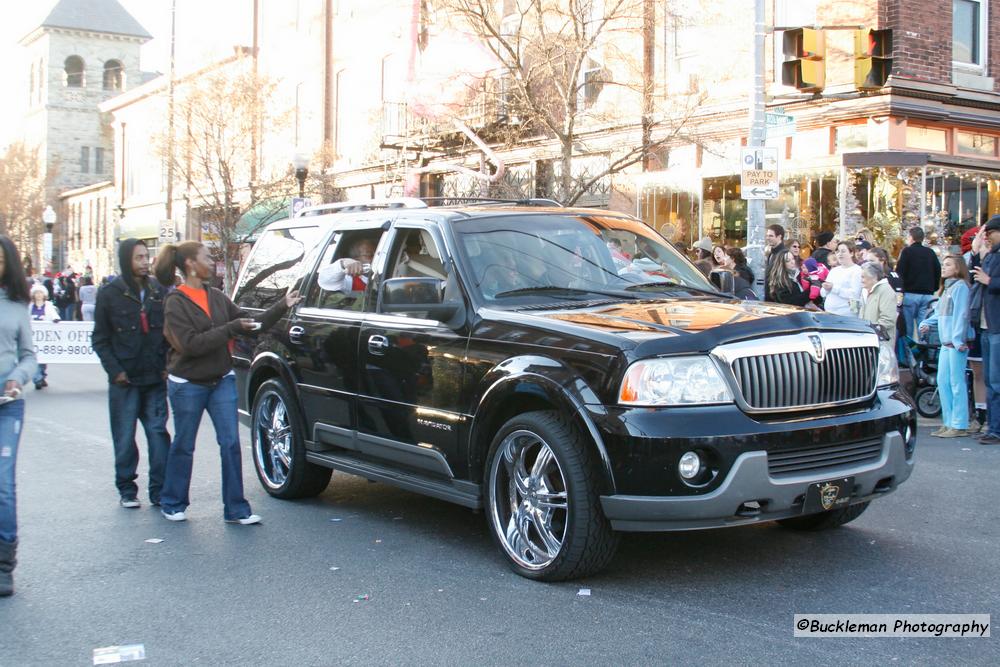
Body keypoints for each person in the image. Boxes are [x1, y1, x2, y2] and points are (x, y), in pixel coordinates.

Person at [153, 241, 302, 523]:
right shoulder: (175, 302)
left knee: (231, 443)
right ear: (190, 265)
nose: (212, 262)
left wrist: (283, 304)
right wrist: (231, 328)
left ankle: (236, 509)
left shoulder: (217, 297)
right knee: (184, 444)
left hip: (220, 380)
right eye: (207, 258)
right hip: (187, 384)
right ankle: (173, 502)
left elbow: (253, 325)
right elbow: (191, 345)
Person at [92, 240, 171, 508]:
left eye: (146, 256)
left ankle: (159, 490)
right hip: (125, 380)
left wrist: (166, 365)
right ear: (127, 260)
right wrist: (116, 372)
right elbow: (100, 339)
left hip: (154, 378)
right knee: (124, 437)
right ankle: (127, 488)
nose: (144, 262)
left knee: (158, 435)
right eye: (138, 257)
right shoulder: (110, 293)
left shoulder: (158, 291)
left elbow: (167, 335)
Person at [0, 235, 37, 596]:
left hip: (7, 405)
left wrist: (17, 378)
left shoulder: (16, 306)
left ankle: (4, 564)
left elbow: (29, 356)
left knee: (4, 485)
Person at [919, 254, 972, 438]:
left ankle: (959, 423)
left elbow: (962, 314)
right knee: (944, 382)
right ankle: (948, 421)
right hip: (946, 343)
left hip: (954, 344)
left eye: (948, 264)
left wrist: (958, 339)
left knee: (956, 383)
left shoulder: (960, 288)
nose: (944, 267)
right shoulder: (948, 289)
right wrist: (926, 323)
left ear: (957, 268)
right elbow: (939, 314)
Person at [971, 215, 1000, 445]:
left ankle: (996, 429)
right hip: (987, 325)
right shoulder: (991, 255)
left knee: (996, 381)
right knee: (991, 380)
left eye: (990, 233)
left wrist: (990, 281)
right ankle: (992, 426)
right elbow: (974, 270)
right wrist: (976, 248)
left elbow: (987, 280)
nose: (987, 237)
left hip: (996, 326)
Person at [897, 226, 941, 340]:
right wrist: (934, 288)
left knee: (908, 329)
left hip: (910, 294)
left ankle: (909, 354)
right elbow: (938, 271)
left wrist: (900, 289)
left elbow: (900, 272)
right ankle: (924, 353)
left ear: (911, 238)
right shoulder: (930, 252)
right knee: (924, 327)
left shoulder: (907, 252)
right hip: (927, 295)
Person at [28, 286, 60, 389]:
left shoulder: (48, 306)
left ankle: (42, 376)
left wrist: (55, 319)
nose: (38, 295)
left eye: (40, 293)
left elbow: (54, 315)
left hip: (45, 337)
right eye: (36, 293)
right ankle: (37, 379)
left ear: (44, 295)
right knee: (35, 359)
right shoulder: (30, 306)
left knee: (43, 359)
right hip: (33, 337)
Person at [821, 241, 863, 316]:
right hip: (828, 313)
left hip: (845, 316)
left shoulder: (857, 270)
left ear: (851, 253)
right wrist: (825, 288)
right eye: (838, 251)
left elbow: (854, 294)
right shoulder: (834, 271)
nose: (840, 254)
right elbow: (823, 293)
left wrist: (833, 288)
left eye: (843, 251)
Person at [860, 262, 898, 346]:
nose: (861, 280)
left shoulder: (886, 291)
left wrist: (870, 331)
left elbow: (888, 320)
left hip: (881, 342)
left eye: (863, 277)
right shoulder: (865, 291)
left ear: (874, 277)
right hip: (867, 339)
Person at [763, 224, 786, 301]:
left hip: (778, 300)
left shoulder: (784, 254)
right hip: (771, 298)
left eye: (771, 236)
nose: (767, 238)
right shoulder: (771, 253)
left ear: (779, 237)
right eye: (767, 235)